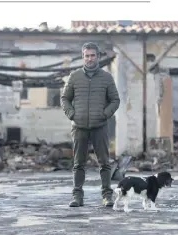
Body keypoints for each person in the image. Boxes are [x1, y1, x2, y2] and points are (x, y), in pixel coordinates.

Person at [61, 42, 120, 207]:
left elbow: (115, 100)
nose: (89, 59)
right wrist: (72, 114)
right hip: (79, 127)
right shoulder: (74, 76)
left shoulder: (107, 78)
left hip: (100, 126)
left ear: (98, 57)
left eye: (92, 55)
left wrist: (104, 115)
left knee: (104, 163)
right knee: (78, 164)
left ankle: (107, 196)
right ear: (83, 57)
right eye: (86, 56)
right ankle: (77, 197)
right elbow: (65, 98)